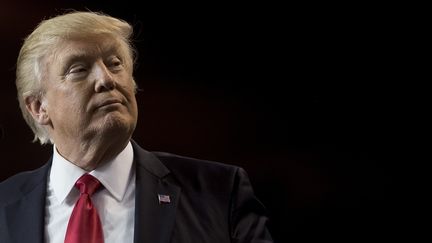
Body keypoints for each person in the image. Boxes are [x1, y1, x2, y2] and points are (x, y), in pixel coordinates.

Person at [0, 11, 273, 243]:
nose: (106, 80)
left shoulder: (221, 192)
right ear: (38, 107)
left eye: (115, 63)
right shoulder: (3, 205)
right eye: (79, 69)